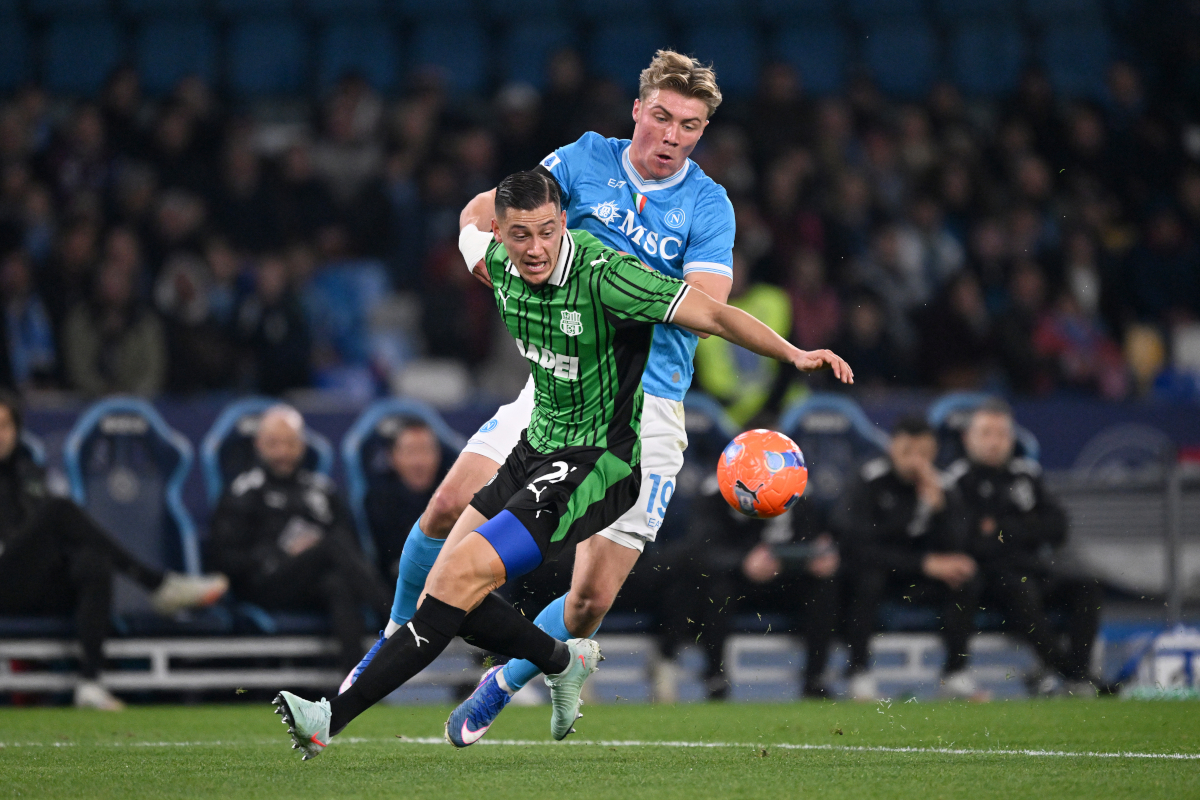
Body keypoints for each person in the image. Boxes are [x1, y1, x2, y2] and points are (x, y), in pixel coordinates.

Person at [271, 170, 852, 759]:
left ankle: (328, 719)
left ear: (563, 224)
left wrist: (793, 351)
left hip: (596, 463)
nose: (535, 248)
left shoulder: (607, 276)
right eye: (519, 234)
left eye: (547, 232)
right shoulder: (495, 263)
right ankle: (559, 658)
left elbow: (714, 315)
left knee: (460, 580)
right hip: (533, 449)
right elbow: (469, 225)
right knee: (448, 595)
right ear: (503, 232)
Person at [342, 49, 743, 739]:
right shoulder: (582, 161)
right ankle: (387, 641)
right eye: (664, 118)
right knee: (444, 507)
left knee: (588, 599)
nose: (674, 137)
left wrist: (606, 281)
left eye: (692, 126)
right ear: (638, 110)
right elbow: (484, 211)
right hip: (558, 380)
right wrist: (512, 272)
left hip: (645, 406)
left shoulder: (708, 204)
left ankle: (504, 681)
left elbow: (707, 304)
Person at [0, 391, 228, 710]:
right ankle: (156, 583)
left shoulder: (28, 473)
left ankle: (90, 683)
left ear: (16, 430)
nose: (0, 435)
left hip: (27, 586)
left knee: (92, 561)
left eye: (4, 426)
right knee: (60, 511)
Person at [207, 405, 392, 676]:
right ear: (259, 445)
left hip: (309, 585)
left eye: (290, 443)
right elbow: (221, 557)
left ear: (302, 445)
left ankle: (355, 686)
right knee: (330, 544)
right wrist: (278, 553)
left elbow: (351, 547)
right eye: (274, 444)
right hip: (261, 586)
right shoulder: (243, 491)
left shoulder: (321, 490)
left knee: (338, 583)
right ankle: (392, 615)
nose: (283, 452)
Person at [945, 399, 1108, 694]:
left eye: (1002, 434)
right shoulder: (958, 481)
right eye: (986, 433)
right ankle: (1075, 674)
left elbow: (1058, 527)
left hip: (1035, 568)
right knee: (1020, 589)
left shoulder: (1026, 474)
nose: (995, 442)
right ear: (967, 439)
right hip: (990, 580)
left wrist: (1003, 529)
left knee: (1086, 587)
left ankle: (1074, 673)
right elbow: (971, 542)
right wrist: (1027, 529)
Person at [832, 415, 984, 700]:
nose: (916, 461)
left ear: (935, 452)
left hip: (919, 578)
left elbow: (960, 545)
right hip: (882, 572)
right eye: (907, 452)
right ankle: (859, 671)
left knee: (965, 576)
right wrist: (924, 563)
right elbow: (857, 545)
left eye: (924, 454)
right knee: (867, 579)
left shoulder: (944, 485)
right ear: (892, 448)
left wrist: (940, 510)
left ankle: (956, 672)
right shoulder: (870, 479)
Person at [364, 421, 445, 580]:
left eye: (425, 451)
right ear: (392, 457)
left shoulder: (455, 497)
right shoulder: (377, 500)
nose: (419, 462)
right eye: (410, 452)